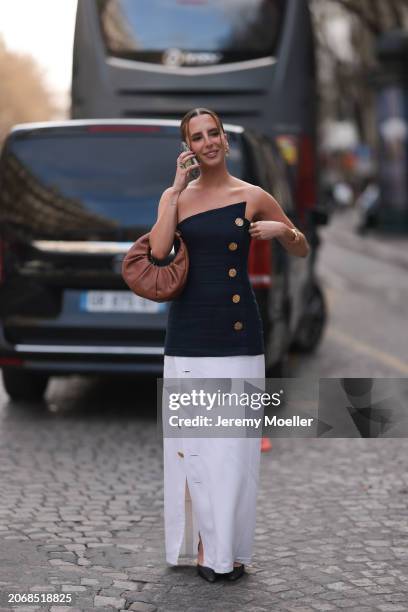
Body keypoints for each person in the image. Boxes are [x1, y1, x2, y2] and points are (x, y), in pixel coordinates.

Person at [149, 108, 309, 583]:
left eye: (213, 133)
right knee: (199, 447)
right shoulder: (176, 197)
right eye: (197, 138)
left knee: (235, 451)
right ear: (189, 149)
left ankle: (231, 548)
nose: (208, 142)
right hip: (190, 336)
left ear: (224, 139)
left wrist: (285, 232)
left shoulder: (252, 195)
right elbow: (159, 254)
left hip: (240, 335)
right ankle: (205, 546)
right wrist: (174, 194)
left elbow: (301, 247)